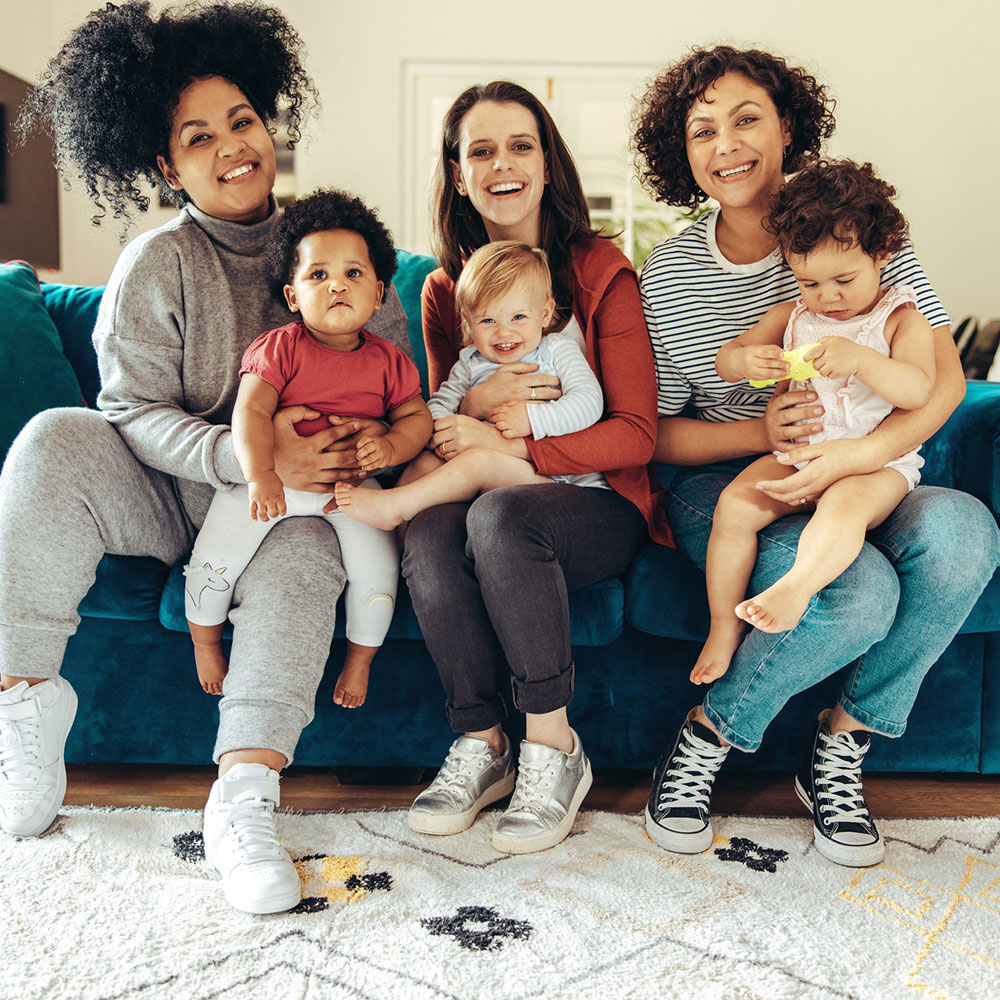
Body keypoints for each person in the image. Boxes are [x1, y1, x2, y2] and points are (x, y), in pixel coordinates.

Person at [0, 1, 413, 914]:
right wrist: (244, 455)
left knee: (309, 549)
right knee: (51, 441)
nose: (232, 147)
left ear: (270, 127)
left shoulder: (336, 253)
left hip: (289, 517)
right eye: (200, 136)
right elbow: (128, 411)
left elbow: (390, 387)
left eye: (243, 122)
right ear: (165, 163)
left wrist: (356, 453)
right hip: (174, 490)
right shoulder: (158, 261)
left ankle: (244, 796)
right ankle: (26, 705)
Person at [635, 45, 999, 867]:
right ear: (681, 153)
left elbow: (938, 389)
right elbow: (658, 434)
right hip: (730, 477)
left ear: (789, 125)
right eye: (702, 130)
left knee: (966, 533)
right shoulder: (670, 274)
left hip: (872, 460)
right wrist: (761, 435)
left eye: (747, 118)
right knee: (857, 594)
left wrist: (854, 457)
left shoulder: (860, 230)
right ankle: (707, 734)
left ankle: (843, 743)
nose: (726, 144)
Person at [401, 81, 663, 856]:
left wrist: (517, 448)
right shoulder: (448, 290)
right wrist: (478, 406)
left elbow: (636, 434)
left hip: (596, 503)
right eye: (480, 150)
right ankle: (484, 744)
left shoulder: (600, 270)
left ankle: (554, 747)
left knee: (498, 515)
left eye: (521, 146)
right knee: (429, 526)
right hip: (491, 478)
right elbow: (446, 420)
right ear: (458, 174)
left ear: (548, 165)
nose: (502, 164)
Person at [185, 188, 432, 707]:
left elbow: (416, 419)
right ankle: (205, 641)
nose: (337, 285)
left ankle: (360, 659)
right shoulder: (280, 347)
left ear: (381, 294)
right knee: (216, 554)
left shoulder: (389, 361)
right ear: (294, 296)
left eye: (353, 274)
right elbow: (249, 413)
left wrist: (390, 446)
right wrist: (259, 476)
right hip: (272, 482)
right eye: (318, 275)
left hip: (350, 490)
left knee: (378, 567)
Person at [693, 159, 935, 687]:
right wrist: (747, 363)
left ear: (882, 252)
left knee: (845, 505)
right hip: (800, 456)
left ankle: (797, 587)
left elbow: (920, 389)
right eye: (810, 281)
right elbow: (727, 357)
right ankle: (721, 627)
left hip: (875, 466)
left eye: (844, 279)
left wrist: (864, 360)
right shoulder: (793, 317)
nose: (829, 297)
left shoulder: (900, 317)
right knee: (734, 506)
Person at [334, 240, 605, 530]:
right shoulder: (470, 362)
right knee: (425, 465)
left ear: (545, 314)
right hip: (487, 468)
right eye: (488, 319)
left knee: (477, 462)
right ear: (468, 321)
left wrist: (532, 419)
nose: (504, 332)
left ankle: (394, 508)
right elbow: (435, 411)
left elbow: (590, 402)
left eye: (519, 317)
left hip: (552, 476)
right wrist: (453, 424)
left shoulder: (556, 350)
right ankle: (400, 552)